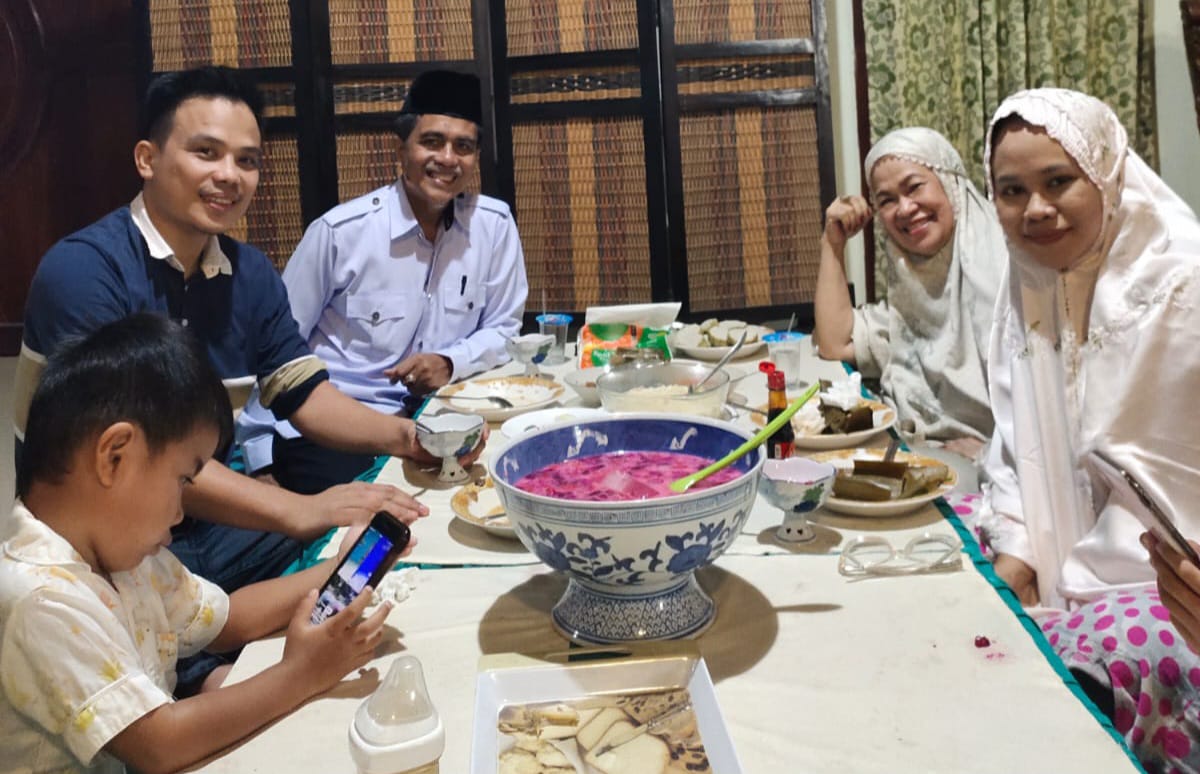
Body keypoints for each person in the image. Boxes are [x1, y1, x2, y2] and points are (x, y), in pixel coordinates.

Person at [10, 66, 455, 689]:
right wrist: (300, 510)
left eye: (247, 160)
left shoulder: (249, 273)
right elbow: (138, 464)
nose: (230, 175)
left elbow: (306, 396)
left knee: (381, 540)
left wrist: (408, 438)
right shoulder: (85, 273)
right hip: (108, 542)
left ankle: (222, 658)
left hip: (204, 530)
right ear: (147, 158)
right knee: (317, 544)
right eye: (206, 152)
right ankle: (201, 676)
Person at [1, 314, 396, 774]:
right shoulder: (40, 600)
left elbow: (228, 620)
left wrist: (341, 567)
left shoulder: (122, 555)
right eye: (183, 479)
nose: (181, 510)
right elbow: (160, 744)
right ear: (114, 456)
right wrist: (302, 674)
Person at [979, 87, 1200, 770]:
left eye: (1058, 182)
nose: (1035, 209)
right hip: (1067, 566)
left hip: (1170, 590)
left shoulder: (1181, 288)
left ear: (1107, 173)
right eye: (1012, 191)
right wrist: (1018, 552)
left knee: (1084, 671)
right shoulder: (1028, 280)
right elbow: (1012, 444)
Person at [235, 69, 527, 494]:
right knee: (383, 520)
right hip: (336, 431)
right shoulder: (340, 233)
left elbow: (504, 329)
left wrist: (449, 362)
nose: (448, 158)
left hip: (439, 420)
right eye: (432, 142)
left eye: (463, 147)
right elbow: (276, 352)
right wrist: (261, 459)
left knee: (509, 480)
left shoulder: (494, 226)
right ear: (401, 149)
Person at [813, 127, 1005, 460]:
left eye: (914, 187)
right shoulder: (911, 296)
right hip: (912, 454)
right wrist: (832, 243)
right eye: (887, 200)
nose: (904, 208)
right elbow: (835, 342)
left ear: (950, 184)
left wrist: (993, 453)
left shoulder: (1009, 274)